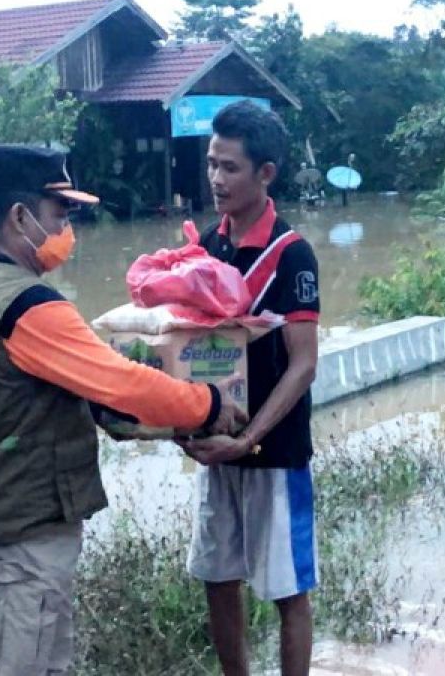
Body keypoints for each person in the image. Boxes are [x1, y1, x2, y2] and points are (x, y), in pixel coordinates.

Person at [0, 144, 245, 676]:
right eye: (59, 216)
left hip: (4, 527)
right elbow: (120, 383)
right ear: (20, 217)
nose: (68, 231)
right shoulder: (28, 304)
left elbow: (68, 394)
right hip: (21, 541)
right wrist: (209, 403)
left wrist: (154, 424)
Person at [180, 101, 321, 676]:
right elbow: (188, 347)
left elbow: (304, 364)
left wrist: (252, 438)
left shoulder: (292, 255)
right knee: (217, 578)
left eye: (230, 167)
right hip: (217, 447)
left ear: (266, 174)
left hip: (273, 451)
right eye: (211, 164)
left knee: (287, 592)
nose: (216, 179)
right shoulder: (207, 246)